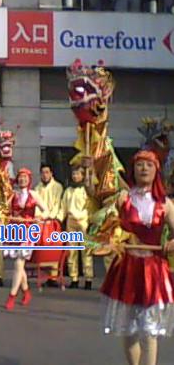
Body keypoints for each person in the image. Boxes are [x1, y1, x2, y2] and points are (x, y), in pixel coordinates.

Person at [101, 150, 174, 365]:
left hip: (153, 270)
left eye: (149, 165)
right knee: (129, 329)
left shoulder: (165, 204)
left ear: (156, 171)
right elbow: (97, 202)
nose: (144, 169)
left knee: (149, 331)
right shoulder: (123, 198)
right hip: (127, 268)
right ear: (133, 169)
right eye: (140, 164)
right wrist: (89, 172)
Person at [4, 168, 46, 310]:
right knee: (19, 265)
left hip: (28, 232)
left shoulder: (34, 194)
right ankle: (26, 292)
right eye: (20, 177)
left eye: (25, 177)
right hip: (15, 231)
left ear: (29, 179)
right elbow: (4, 209)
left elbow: (47, 210)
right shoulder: (13, 195)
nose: (22, 179)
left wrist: (40, 217)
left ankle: (12, 295)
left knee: (18, 263)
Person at [62, 165, 96, 290]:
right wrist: (58, 219)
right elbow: (63, 207)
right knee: (71, 252)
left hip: (84, 222)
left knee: (86, 251)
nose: (75, 176)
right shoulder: (68, 190)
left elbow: (91, 206)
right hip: (71, 222)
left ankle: (88, 278)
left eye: (78, 174)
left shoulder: (86, 190)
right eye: (74, 174)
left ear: (82, 176)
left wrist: (91, 221)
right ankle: (74, 278)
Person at [34, 164, 64, 287]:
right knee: (43, 248)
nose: (45, 175)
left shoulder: (58, 187)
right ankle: (45, 276)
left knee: (53, 247)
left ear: (51, 173)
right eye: (43, 172)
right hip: (41, 222)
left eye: (47, 172)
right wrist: (38, 217)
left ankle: (53, 276)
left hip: (52, 221)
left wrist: (50, 216)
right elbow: (36, 205)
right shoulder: (37, 188)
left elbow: (57, 204)